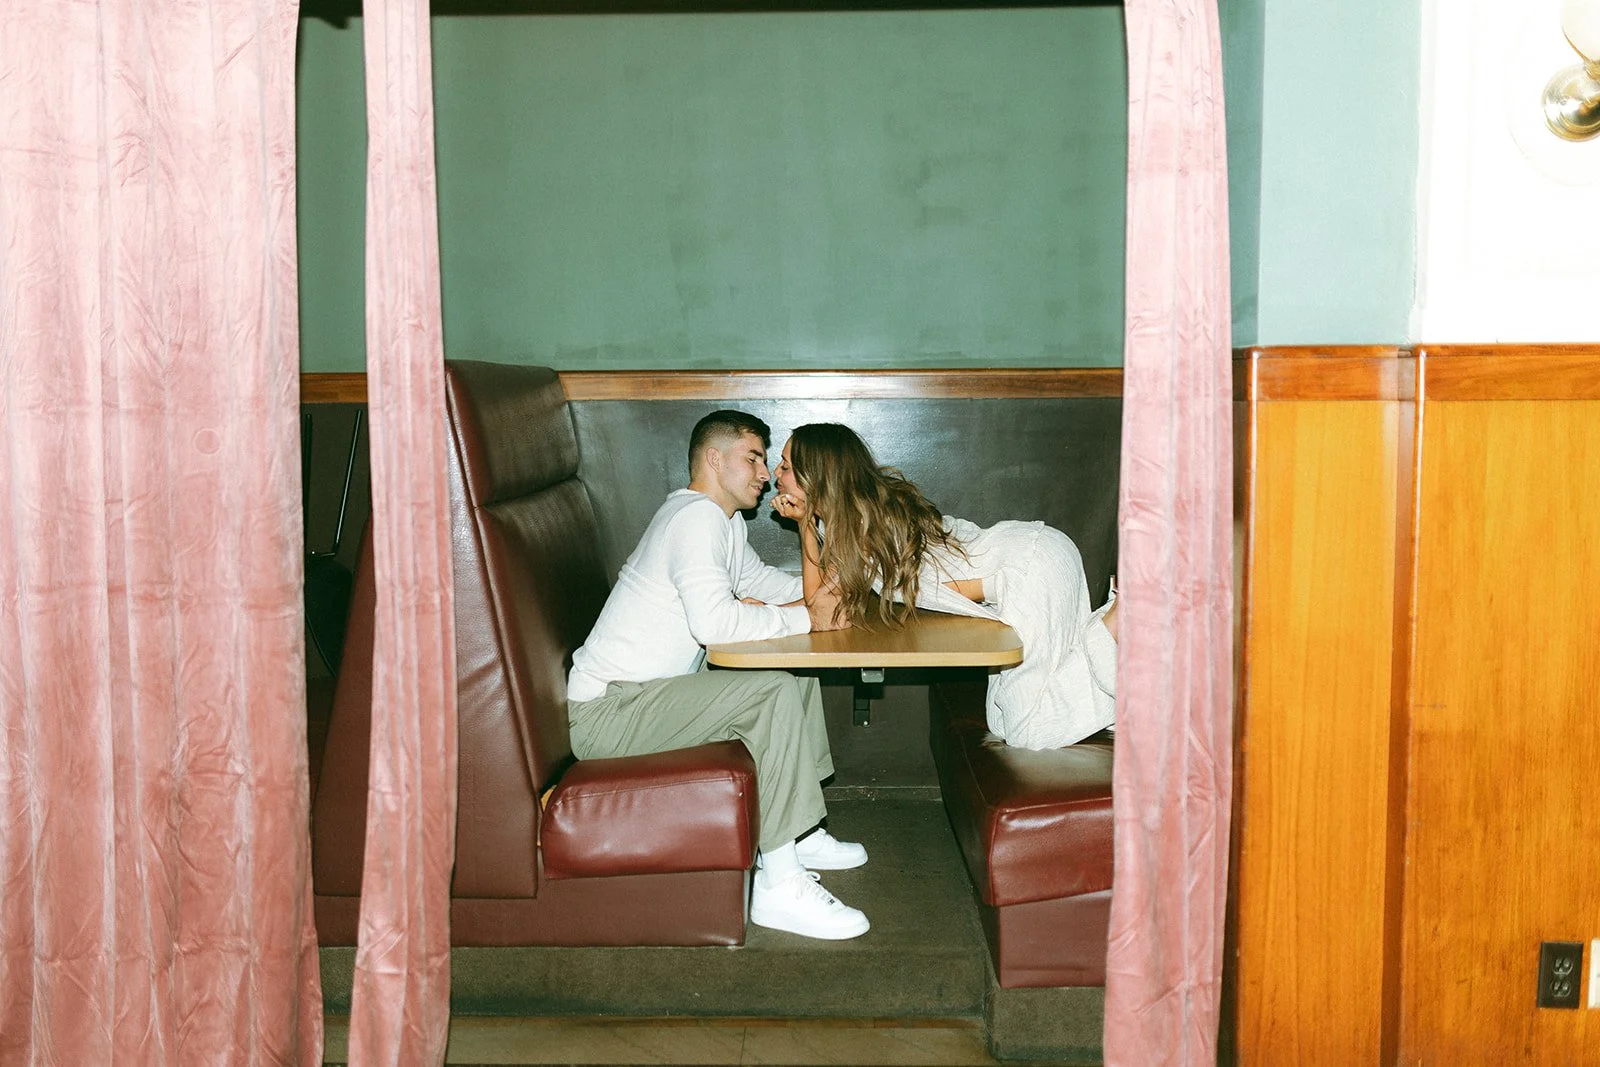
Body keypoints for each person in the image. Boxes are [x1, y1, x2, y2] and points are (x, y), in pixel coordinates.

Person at [566, 410, 872, 941]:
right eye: (753, 458)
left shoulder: (722, 524)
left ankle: (796, 830)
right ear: (714, 458)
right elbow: (715, 624)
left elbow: (769, 586)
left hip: (647, 699)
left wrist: (822, 593)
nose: (765, 473)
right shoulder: (694, 520)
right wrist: (808, 616)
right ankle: (779, 885)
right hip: (608, 714)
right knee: (771, 688)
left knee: (789, 664)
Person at [771, 423, 1118, 751]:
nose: (776, 474)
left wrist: (803, 526)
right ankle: (1124, 655)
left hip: (1028, 570)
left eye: (785, 466)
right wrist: (766, 608)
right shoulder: (860, 516)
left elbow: (824, 614)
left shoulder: (860, 528)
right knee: (1000, 719)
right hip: (1033, 557)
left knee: (1027, 730)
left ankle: (1119, 622)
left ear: (814, 476)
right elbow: (820, 599)